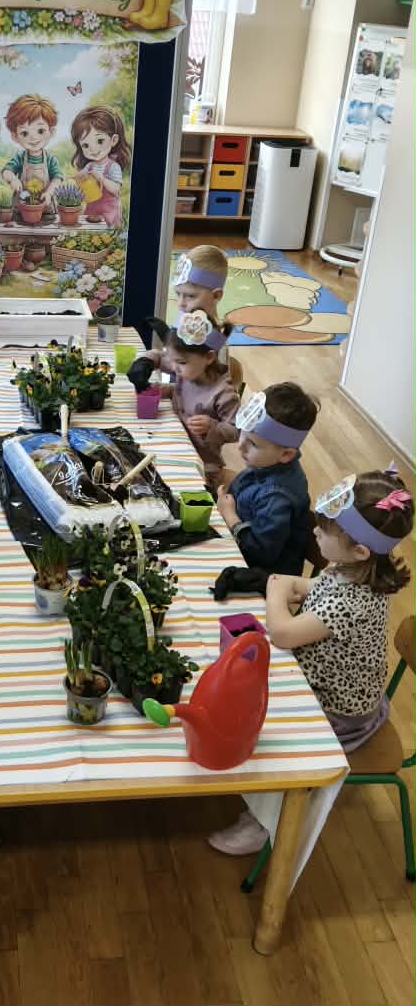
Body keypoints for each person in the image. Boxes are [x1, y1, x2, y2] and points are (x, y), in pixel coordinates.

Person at [209, 466, 413, 855]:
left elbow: (283, 633)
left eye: (325, 530)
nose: (314, 532)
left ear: (360, 550)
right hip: (333, 685)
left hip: (339, 714)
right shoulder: (353, 570)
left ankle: (265, 821)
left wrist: (274, 589)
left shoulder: (352, 600)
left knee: (269, 732)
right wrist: (284, 586)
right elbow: (309, 586)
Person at [212, 383, 319, 597]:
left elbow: (261, 553)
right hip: (239, 548)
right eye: (243, 434)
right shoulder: (267, 463)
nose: (240, 446)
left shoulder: (276, 496)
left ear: (286, 455)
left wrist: (230, 516)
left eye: (252, 443)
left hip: (265, 581)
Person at [128, 309, 240, 483]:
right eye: (173, 360)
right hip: (174, 441)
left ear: (209, 357)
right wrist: (146, 363)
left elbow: (237, 431)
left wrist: (212, 426)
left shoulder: (223, 393)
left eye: (180, 362)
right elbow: (162, 358)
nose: (173, 367)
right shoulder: (189, 369)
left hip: (203, 464)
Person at [70, 104, 131, 229]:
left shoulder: (113, 167)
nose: (93, 149)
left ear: (113, 140)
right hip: (92, 209)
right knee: (90, 232)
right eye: (86, 145)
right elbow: (80, 177)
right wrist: (76, 178)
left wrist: (101, 178)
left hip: (109, 211)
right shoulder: (90, 166)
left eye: (99, 141)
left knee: (106, 234)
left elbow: (116, 189)